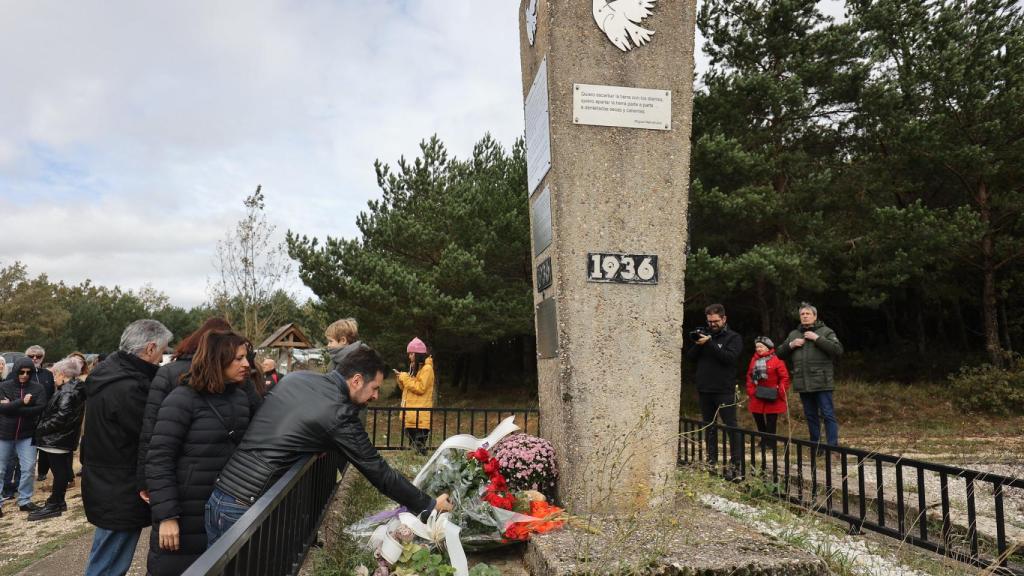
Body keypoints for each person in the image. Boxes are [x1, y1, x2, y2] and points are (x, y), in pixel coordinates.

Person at [207, 346, 451, 544]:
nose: (376, 396)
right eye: (374, 388)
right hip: (247, 508)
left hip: (221, 495)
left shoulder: (296, 378)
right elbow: (378, 471)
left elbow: (283, 426)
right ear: (356, 380)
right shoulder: (339, 413)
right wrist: (428, 504)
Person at [146, 331, 253, 575]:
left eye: (246, 357)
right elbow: (159, 459)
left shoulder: (240, 398)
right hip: (184, 515)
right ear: (218, 360)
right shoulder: (182, 399)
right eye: (238, 358)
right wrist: (167, 516)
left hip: (221, 513)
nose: (246, 364)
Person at [81, 319, 173, 576]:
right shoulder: (129, 387)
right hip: (119, 486)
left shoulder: (109, 373)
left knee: (106, 553)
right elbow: (148, 433)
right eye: (164, 351)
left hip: (106, 481)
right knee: (109, 563)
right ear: (151, 348)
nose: (163, 358)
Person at [138, 317, 233, 489]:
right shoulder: (230, 375)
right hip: (220, 475)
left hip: (177, 473)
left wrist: (146, 480)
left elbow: (149, 430)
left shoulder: (167, 372)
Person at [685, 303, 743, 478]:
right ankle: (711, 462)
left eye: (716, 321)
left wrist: (710, 343)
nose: (712, 324)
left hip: (724, 389)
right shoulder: (706, 336)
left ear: (724, 319)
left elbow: (729, 358)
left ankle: (736, 465)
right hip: (705, 389)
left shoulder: (733, 338)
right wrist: (699, 342)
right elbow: (690, 357)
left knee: (731, 426)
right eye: (709, 321)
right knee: (709, 427)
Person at [777, 302, 844, 449]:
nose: (805, 316)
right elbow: (779, 354)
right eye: (802, 314)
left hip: (822, 382)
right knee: (811, 416)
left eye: (808, 314)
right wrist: (791, 345)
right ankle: (816, 447)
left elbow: (838, 350)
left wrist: (817, 338)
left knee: (828, 415)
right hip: (803, 383)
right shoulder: (794, 334)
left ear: (815, 316)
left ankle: (833, 448)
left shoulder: (826, 331)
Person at [29, 358, 87, 520]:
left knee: (60, 472)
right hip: (60, 438)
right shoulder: (71, 388)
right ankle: (57, 501)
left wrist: (40, 429)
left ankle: (55, 503)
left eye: (55, 374)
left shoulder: (68, 391)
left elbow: (61, 417)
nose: (53, 377)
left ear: (63, 374)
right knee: (60, 471)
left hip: (57, 438)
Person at [0, 357, 47, 517]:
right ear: (16, 371)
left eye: (28, 372)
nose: (25, 375)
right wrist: (23, 402)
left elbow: (39, 409)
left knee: (28, 468)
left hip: (27, 434)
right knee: (0, 470)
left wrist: (12, 406)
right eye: (21, 371)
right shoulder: (4, 386)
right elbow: (1, 409)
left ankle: (25, 500)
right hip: (3, 434)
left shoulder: (38, 388)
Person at [744, 336, 790, 448]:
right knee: (758, 418)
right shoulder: (754, 359)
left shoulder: (777, 359)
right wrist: (751, 390)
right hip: (757, 393)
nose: (758, 349)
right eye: (757, 347)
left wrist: (780, 390)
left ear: (768, 347)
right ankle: (764, 439)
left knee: (771, 420)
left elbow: (784, 377)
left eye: (761, 346)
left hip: (772, 394)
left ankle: (771, 441)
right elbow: (750, 375)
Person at [396, 337, 435, 455]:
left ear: (418, 354)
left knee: (419, 448)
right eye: (409, 354)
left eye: (412, 353)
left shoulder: (427, 369)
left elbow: (420, 388)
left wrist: (405, 378)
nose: (410, 356)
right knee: (413, 448)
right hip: (411, 415)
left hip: (420, 416)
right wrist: (400, 379)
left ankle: (421, 468)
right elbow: (407, 389)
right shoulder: (415, 368)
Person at [25, 345, 55, 482]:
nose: (35, 358)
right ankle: (26, 472)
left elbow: (53, 395)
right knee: (28, 446)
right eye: (31, 356)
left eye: (38, 356)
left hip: (46, 416)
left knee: (44, 446)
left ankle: (42, 471)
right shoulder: (21, 373)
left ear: (43, 357)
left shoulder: (48, 374)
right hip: (27, 416)